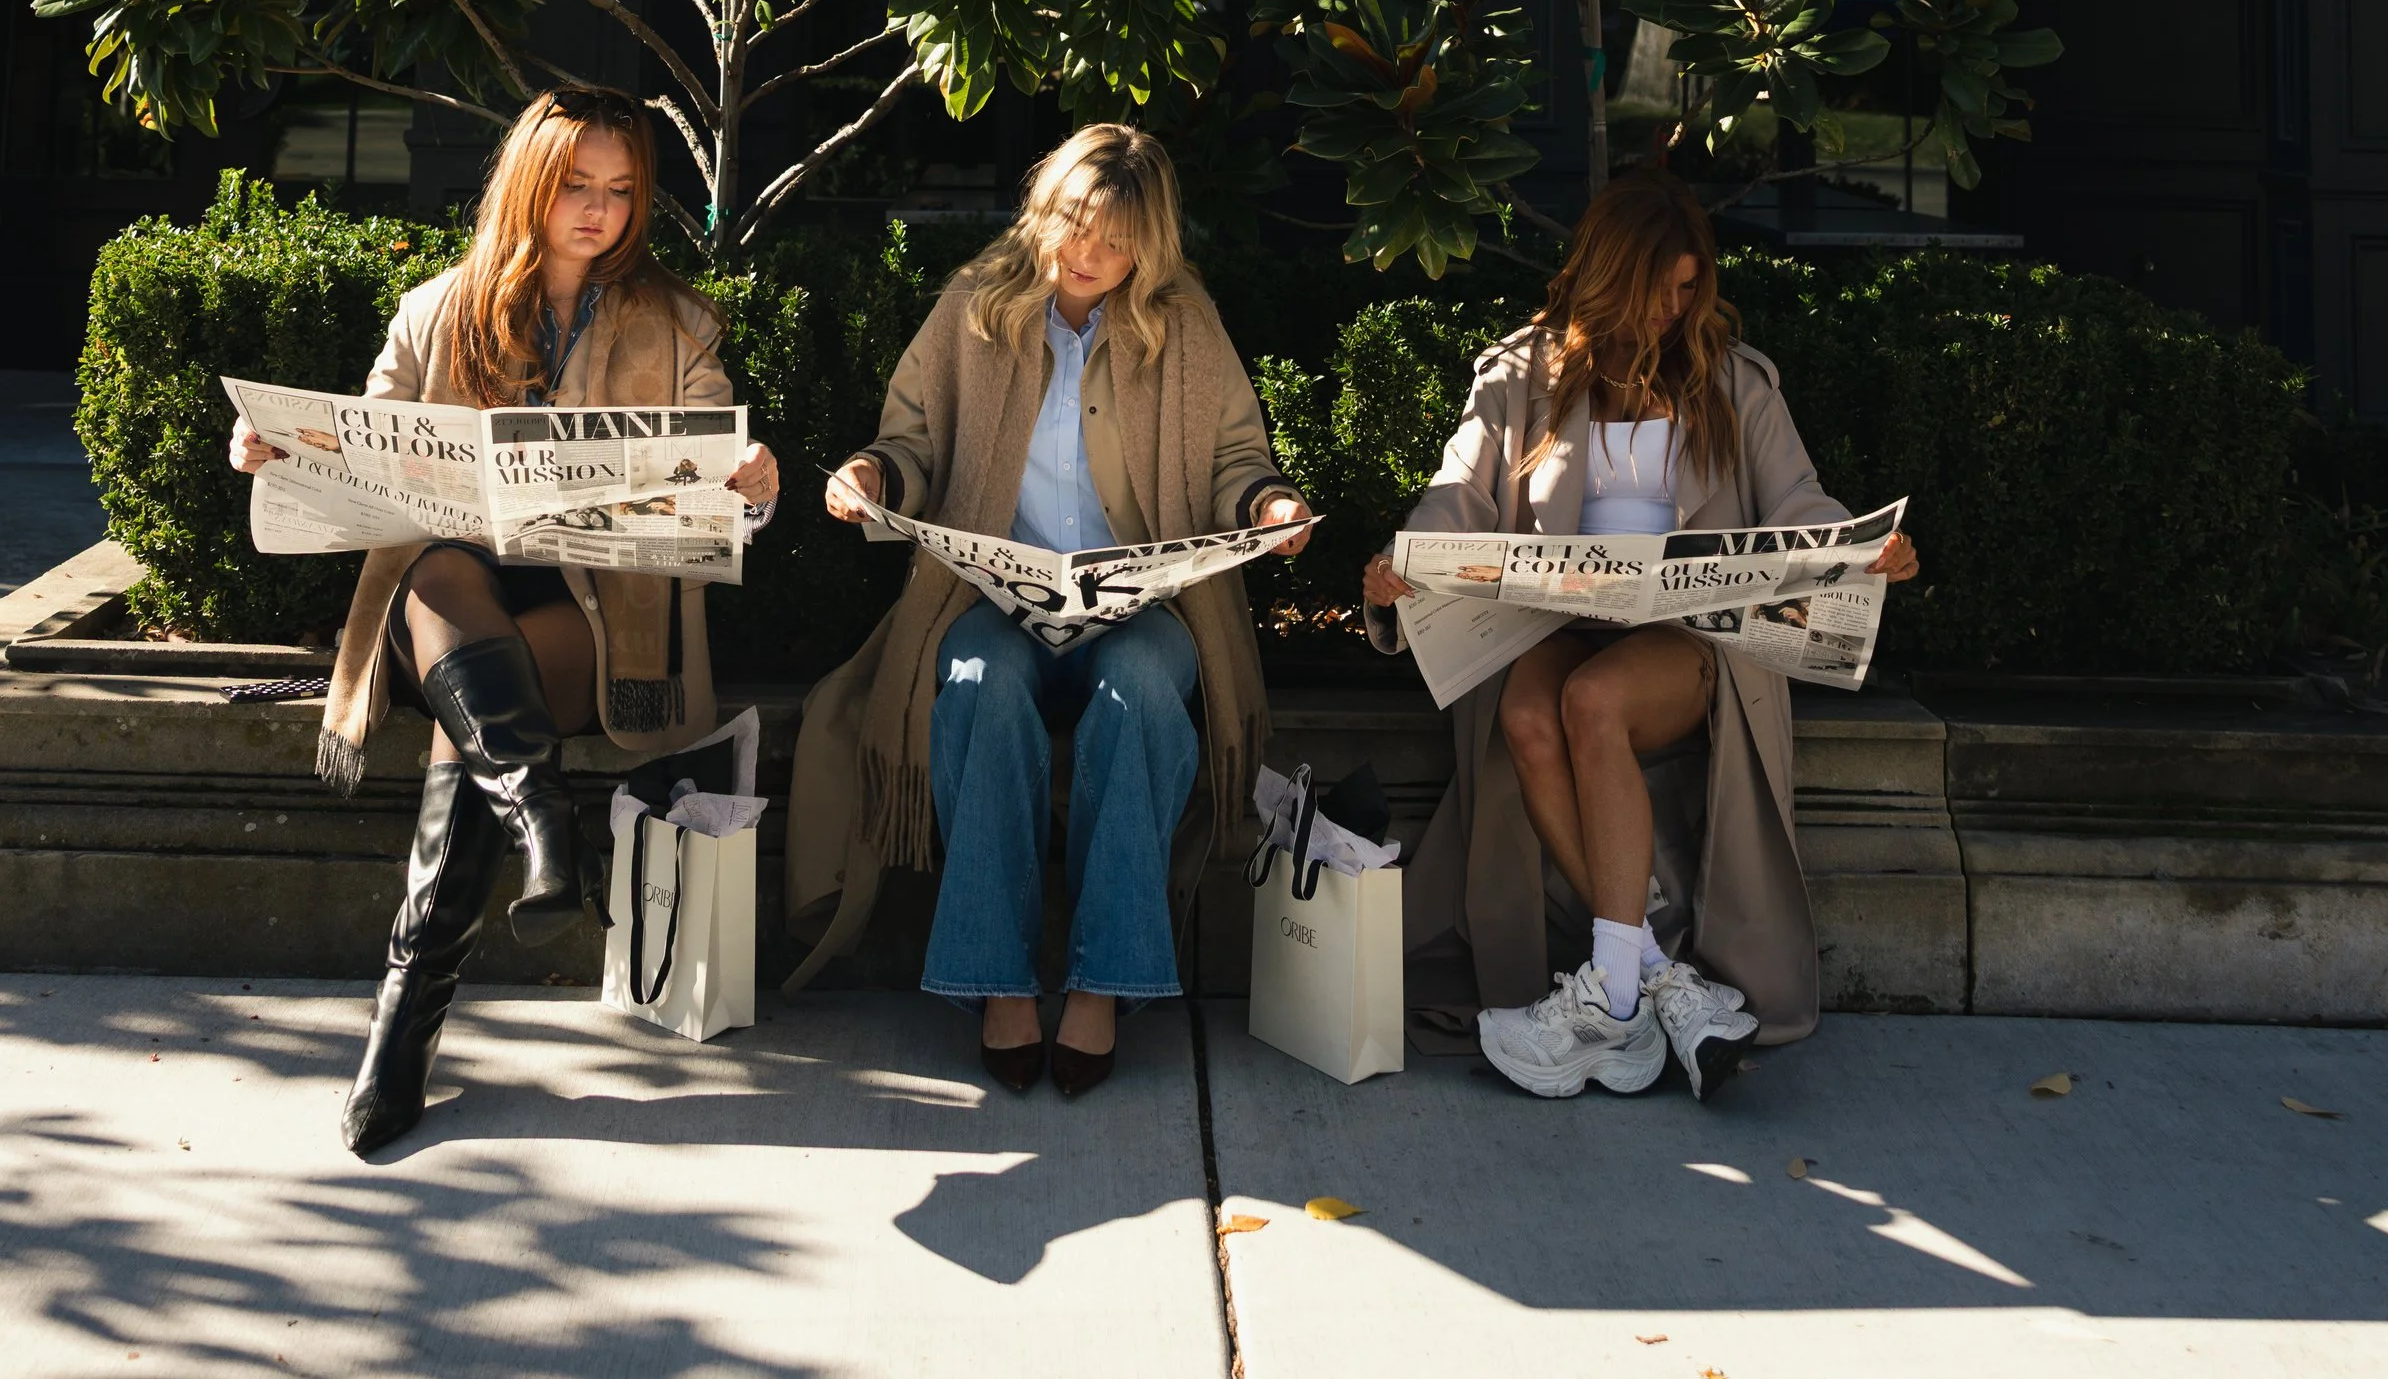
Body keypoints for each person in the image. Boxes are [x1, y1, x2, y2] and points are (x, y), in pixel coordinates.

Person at [227, 88, 778, 1156]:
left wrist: (752, 485)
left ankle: (405, 1020)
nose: (600, 212)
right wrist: (276, 452)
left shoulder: (678, 323)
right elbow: (355, 444)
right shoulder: (436, 310)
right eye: (578, 185)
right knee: (439, 572)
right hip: (441, 599)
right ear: (531, 181)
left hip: (590, 617)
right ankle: (538, 816)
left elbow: (723, 491)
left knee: (481, 701)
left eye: (622, 193)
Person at [1364, 167, 1918, 1104]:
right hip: (1555, 619)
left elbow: (1798, 501)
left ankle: (1611, 999)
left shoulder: (1734, 382)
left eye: (1689, 286)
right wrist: (1404, 558)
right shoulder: (1518, 374)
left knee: (1593, 702)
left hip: (1685, 637)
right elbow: (1460, 490)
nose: (1673, 307)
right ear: (1605, 273)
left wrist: (1859, 549)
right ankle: (1650, 977)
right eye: (1658, 285)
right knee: (1530, 713)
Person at [786, 124, 1311, 1094]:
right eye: (1077, 224)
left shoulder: (1181, 319)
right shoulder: (978, 304)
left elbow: (1240, 456)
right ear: (1047, 208)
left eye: (1116, 241)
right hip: (999, 596)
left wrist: (1267, 507)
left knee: (1145, 686)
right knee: (980, 684)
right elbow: (911, 440)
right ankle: (998, 981)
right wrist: (868, 473)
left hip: (1139, 607)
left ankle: (1105, 982)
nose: (1089, 254)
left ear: (1148, 246)